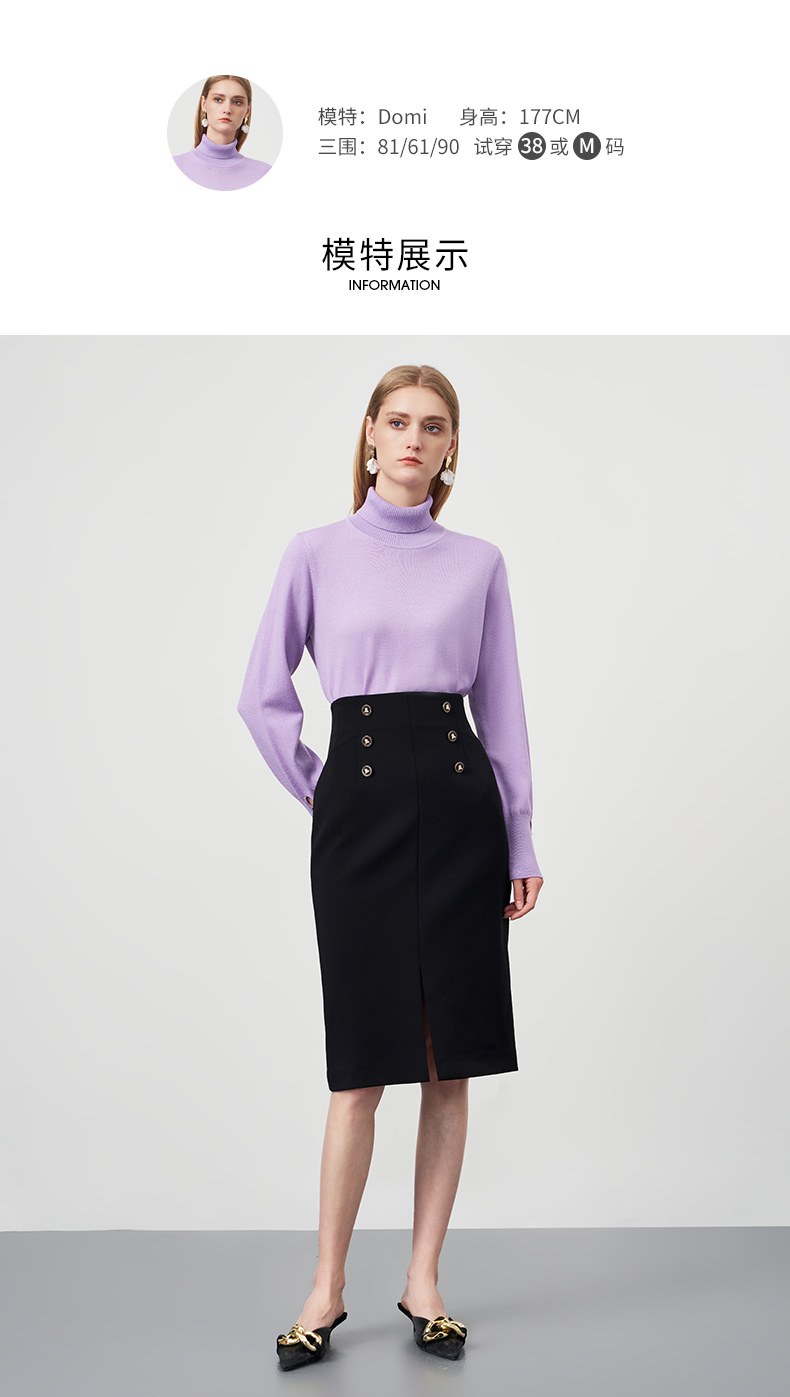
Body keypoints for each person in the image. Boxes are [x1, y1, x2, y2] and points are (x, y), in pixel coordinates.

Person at [237, 364, 545, 1369]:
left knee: (448, 1059)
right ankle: (325, 1288)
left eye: (435, 425)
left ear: (452, 447)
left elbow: (502, 707)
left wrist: (521, 835)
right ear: (369, 433)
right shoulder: (315, 552)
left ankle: (423, 1279)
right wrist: (322, 788)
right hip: (360, 816)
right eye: (399, 421)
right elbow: (260, 694)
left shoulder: (478, 563)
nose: (415, 438)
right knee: (364, 1065)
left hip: (460, 812)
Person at [173, 74, 271, 190]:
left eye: (237, 102)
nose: (227, 110)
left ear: (247, 111)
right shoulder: (175, 165)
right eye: (218, 100)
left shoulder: (264, 172)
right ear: (204, 104)